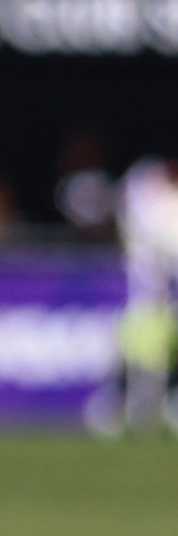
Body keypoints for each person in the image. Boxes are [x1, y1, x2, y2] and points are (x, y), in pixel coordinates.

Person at [91, 152, 175, 439]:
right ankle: (118, 407)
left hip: (165, 295)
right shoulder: (144, 185)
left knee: (160, 356)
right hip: (146, 292)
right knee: (140, 353)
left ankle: (154, 410)